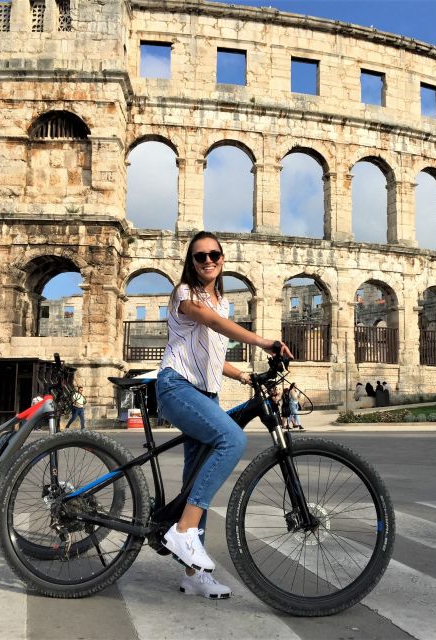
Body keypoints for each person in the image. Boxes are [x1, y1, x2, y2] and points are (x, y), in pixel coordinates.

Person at [156, 231, 293, 599]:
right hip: (176, 387)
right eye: (200, 256)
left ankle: (193, 574)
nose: (207, 261)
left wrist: (246, 375)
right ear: (191, 262)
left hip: (205, 393)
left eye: (213, 254)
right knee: (232, 439)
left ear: (222, 258)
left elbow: (214, 353)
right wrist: (264, 341)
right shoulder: (184, 293)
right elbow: (210, 323)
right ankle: (183, 532)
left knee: (195, 481)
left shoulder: (222, 303)